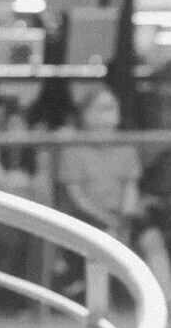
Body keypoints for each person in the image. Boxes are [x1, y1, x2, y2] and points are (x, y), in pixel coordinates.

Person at [57, 84, 143, 244]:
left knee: (152, 239)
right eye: (105, 108)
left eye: (114, 107)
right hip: (87, 218)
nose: (112, 113)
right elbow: (76, 196)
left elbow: (131, 188)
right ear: (87, 114)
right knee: (103, 242)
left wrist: (124, 220)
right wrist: (107, 220)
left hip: (122, 217)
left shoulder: (126, 146)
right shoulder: (73, 148)